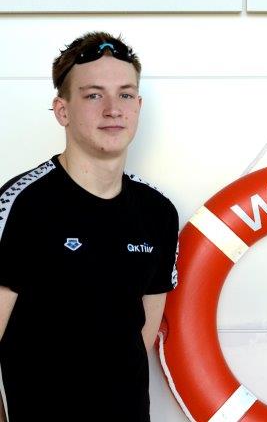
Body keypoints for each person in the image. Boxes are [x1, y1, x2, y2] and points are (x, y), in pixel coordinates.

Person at [0, 32, 178, 421]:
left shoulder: (159, 212)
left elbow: (141, 337)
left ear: (138, 106)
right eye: (94, 95)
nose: (113, 110)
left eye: (125, 95)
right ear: (62, 111)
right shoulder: (20, 204)